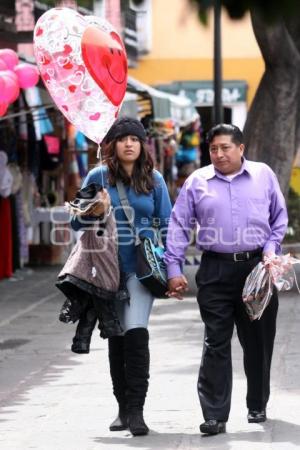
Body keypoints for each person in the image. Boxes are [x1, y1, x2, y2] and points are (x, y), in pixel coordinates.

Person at [164, 124, 288, 435]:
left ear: (241, 148)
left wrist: (271, 251)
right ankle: (214, 415)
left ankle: (257, 403)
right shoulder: (197, 182)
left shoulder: (263, 175)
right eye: (214, 149)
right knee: (215, 341)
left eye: (225, 148)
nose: (219, 154)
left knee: (258, 341)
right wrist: (174, 269)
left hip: (257, 270)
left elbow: (279, 219)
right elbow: (179, 226)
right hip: (215, 271)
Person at [71, 117, 172, 436]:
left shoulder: (154, 180)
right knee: (116, 337)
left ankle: (137, 411)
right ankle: (123, 408)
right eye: (123, 138)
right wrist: (93, 210)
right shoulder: (97, 176)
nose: (129, 143)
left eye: (135, 139)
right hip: (105, 267)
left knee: (136, 333)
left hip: (141, 269)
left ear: (143, 145)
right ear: (112, 145)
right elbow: (75, 224)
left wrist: (169, 264)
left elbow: (168, 225)